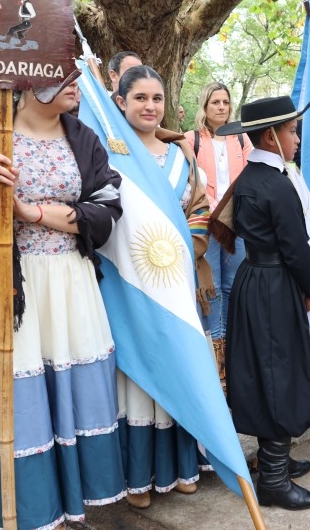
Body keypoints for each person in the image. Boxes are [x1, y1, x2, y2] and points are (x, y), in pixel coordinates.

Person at [0, 76, 126, 529]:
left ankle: (61, 500)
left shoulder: (84, 137)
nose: (78, 85)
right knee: (12, 394)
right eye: (68, 78)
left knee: (62, 394)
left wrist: (31, 212)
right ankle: (20, 507)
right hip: (1, 279)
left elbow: (107, 207)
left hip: (66, 287)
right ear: (33, 83)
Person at [212, 96, 310, 510]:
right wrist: (309, 288)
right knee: (278, 372)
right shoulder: (276, 182)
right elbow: (296, 247)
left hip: (255, 280)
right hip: (274, 285)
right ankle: (273, 480)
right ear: (272, 137)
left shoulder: (252, 176)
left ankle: (277, 459)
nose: (297, 138)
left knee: (267, 369)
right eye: (292, 131)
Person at [112, 65, 211, 508]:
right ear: (121, 103)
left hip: (177, 280)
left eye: (157, 99)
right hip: (132, 284)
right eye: (140, 98)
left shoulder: (181, 155)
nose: (150, 107)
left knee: (182, 367)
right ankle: (140, 476)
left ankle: (183, 467)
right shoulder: (111, 155)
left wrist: (186, 247)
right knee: (142, 375)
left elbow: (200, 208)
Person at [184, 82, 253, 378]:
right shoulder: (191, 139)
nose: (221, 107)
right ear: (205, 105)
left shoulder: (241, 138)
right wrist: (213, 207)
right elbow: (190, 180)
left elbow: (251, 174)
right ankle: (213, 356)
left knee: (234, 286)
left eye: (225, 102)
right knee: (209, 288)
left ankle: (231, 352)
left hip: (236, 222)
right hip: (205, 222)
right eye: (215, 102)